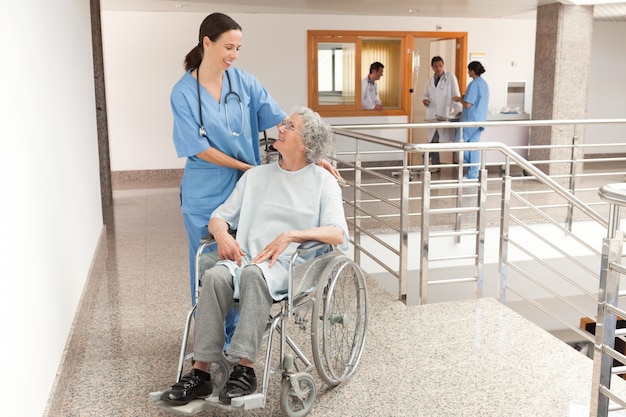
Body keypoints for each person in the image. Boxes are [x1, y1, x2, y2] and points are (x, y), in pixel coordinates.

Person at [171, 13, 340, 346]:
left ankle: (238, 338)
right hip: (206, 187)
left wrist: (313, 154)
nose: (234, 55)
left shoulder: (244, 83)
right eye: (228, 47)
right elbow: (199, 148)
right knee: (212, 260)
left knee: (245, 255)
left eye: (238, 48)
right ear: (207, 43)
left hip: (248, 181)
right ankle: (212, 337)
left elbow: (284, 122)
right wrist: (250, 169)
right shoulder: (183, 92)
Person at [160, 107, 348, 406]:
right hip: (246, 260)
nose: (281, 128)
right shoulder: (256, 176)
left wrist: (290, 235)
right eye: (284, 123)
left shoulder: (322, 182)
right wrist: (222, 235)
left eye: (289, 126)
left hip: (288, 266)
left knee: (252, 274)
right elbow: (219, 217)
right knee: (214, 276)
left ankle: (245, 369)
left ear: (304, 144)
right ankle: (200, 372)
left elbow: (337, 233)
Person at [421, 56, 462, 171]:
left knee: (436, 142)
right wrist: (425, 100)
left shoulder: (450, 77)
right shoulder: (429, 81)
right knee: (433, 140)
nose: (438, 68)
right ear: (432, 67)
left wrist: (458, 110)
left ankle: (427, 158)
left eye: (440, 65)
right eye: (436, 66)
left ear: (443, 65)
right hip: (432, 114)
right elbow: (424, 95)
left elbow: (455, 94)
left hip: (444, 114)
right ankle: (435, 164)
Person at [453, 61, 489, 180]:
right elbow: (475, 99)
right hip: (480, 120)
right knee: (473, 147)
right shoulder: (484, 84)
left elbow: (468, 104)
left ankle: (472, 169)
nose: (468, 72)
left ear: (472, 71)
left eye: (469, 70)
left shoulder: (474, 84)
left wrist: (459, 100)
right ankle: (473, 174)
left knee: (458, 145)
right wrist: (464, 97)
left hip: (470, 120)